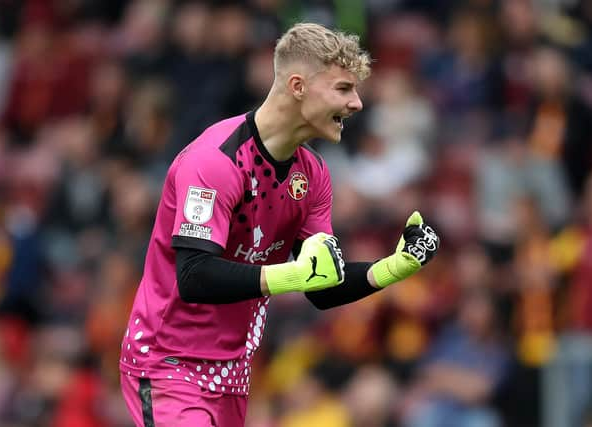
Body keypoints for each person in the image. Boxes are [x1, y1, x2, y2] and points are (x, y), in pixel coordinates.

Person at [119, 22, 440, 427]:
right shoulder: (214, 162)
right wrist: (293, 274)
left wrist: (393, 267)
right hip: (169, 364)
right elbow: (194, 275)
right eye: (343, 89)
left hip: (232, 376)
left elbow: (320, 287)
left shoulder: (314, 176)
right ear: (298, 86)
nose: (357, 103)